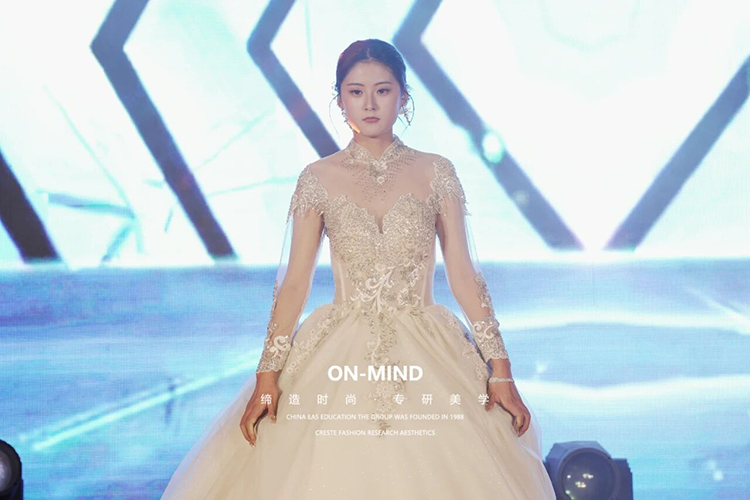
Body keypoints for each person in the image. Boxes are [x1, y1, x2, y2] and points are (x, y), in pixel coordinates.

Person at [161, 39, 555, 499]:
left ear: (403, 98)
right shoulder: (318, 178)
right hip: (337, 347)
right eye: (355, 91)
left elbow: (465, 277)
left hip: (430, 347)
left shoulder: (436, 172)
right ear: (339, 99)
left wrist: (500, 370)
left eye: (382, 91)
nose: (369, 104)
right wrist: (267, 376)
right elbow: (295, 284)